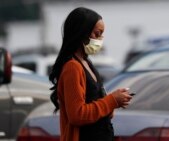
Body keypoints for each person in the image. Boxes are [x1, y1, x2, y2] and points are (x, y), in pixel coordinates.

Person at [49, 7, 132, 141]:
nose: (100, 39)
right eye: (97, 33)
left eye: (102, 34)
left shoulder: (87, 63)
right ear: (82, 33)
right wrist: (112, 101)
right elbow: (77, 115)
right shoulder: (72, 67)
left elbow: (99, 110)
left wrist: (115, 102)